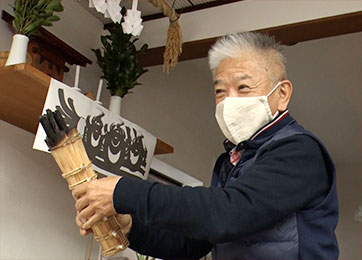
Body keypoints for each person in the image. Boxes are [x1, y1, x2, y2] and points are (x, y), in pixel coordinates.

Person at [72, 32, 339, 259]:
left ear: (282, 94)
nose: (228, 101)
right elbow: (190, 244)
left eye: (243, 87)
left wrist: (123, 191)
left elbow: (228, 214)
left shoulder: (300, 152)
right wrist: (130, 226)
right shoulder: (231, 162)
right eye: (220, 91)